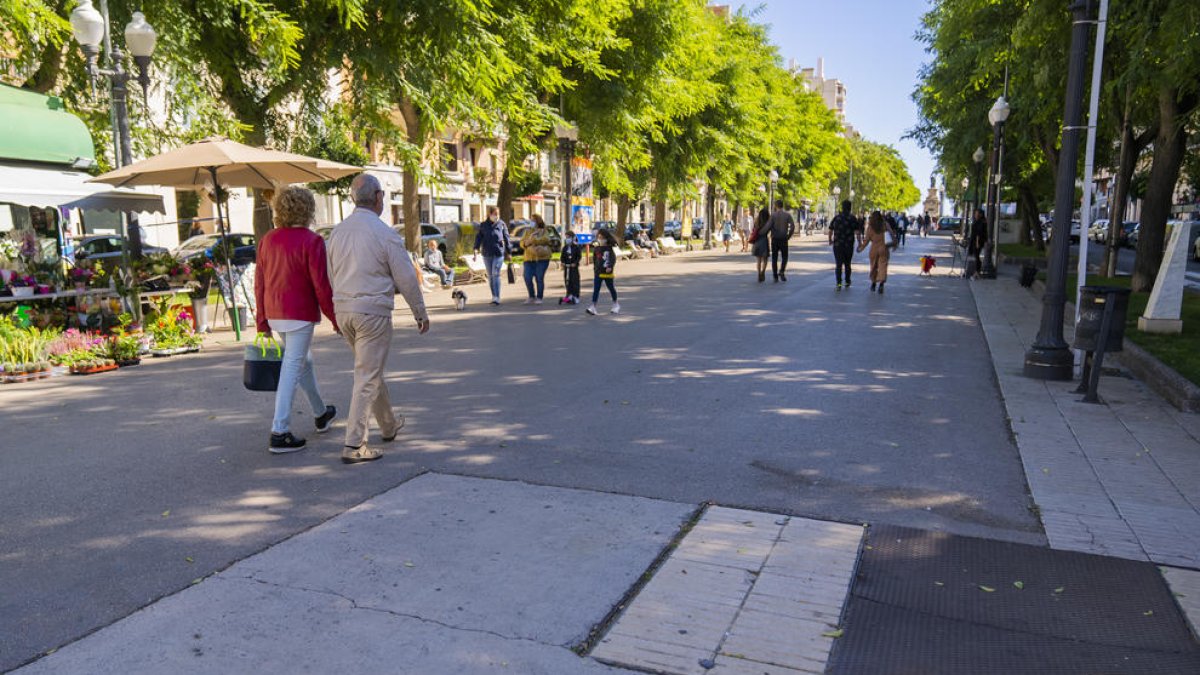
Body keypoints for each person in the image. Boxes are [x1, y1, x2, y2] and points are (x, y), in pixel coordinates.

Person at [326, 174, 430, 464]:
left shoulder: (337, 232)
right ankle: (353, 444)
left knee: (369, 371)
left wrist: (338, 309)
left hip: (345, 308)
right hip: (372, 311)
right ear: (379, 197)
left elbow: (330, 274)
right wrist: (420, 312)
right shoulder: (385, 233)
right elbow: (407, 277)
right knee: (367, 376)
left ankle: (388, 425)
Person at [254, 186, 339, 455]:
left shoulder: (268, 239)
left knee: (303, 362)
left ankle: (320, 413)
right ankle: (279, 431)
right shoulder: (312, 241)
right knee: (292, 367)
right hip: (299, 314)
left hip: (274, 312)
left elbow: (260, 283)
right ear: (308, 209)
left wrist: (261, 321)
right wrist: (336, 319)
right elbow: (321, 287)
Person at [474, 206, 511, 305]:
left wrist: (509, 251)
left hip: (498, 253)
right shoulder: (483, 225)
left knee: (495, 274)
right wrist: (476, 249)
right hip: (487, 253)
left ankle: (497, 297)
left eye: (498, 214)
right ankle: (494, 296)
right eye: (495, 214)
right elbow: (479, 238)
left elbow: (507, 237)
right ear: (489, 214)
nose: (496, 216)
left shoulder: (501, 224)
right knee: (490, 276)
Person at [858, 210, 897, 293]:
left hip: (874, 248)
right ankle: (881, 284)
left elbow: (866, 240)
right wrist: (894, 243)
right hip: (884, 248)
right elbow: (891, 234)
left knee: (873, 266)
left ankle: (873, 283)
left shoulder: (870, 227)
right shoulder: (885, 224)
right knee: (883, 266)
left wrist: (861, 248)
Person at [520, 214, 553, 304]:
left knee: (539, 278)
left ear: (538, 221)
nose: (531, 222)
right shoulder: (527, 231)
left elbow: (546, 239)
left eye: (533, 220)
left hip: (541, 259)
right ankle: (531, 296)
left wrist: (533, 240)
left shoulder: (543, 231)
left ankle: (539, 297)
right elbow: (522, 242)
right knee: (527, 277)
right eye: (531, 220)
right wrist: (525, 244)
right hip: (529, 258)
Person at [828, 200, 861, 290]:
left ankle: (838, 284)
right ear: (850, 207)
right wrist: (860, 243)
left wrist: (830, 240)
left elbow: (830, 230)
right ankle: (847, 281)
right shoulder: (853, 218)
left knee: (838, 264)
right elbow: (857, 232)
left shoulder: (836, 218)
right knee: (847, 264)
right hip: (849, 245)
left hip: (838, 245)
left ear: (842, 207)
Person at [587, 228, 620, 315]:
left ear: (606, 238)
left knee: (611, 288)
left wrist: (610, 266)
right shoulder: (597, 249)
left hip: (607, 273)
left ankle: (615, 304)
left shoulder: (609, 249)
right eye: (599, 237)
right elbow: (595, 260)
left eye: (602, 238)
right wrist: (595, 269)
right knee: (596, 289)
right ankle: (593, 306)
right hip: (598, 272)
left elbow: (613, 259)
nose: (600, 239)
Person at [767, 200, 795, 282]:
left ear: (776, 206)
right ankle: (782, 271)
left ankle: (775, 276)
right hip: (783, 238)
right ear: (782, 205)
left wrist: (762, 233)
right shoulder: (787, 215)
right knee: (785, 257)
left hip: (775, 239)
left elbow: (768, 226)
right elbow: (792, 227)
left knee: (774, 258)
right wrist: (788, 236)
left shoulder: (773, 215)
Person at [559, 230, 582, 304]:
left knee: (574, 281)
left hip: (573, 267)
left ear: (572, 238)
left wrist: (575, 263)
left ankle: (575, 296)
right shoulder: (565, 248)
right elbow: (562, 256)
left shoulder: (576, 247)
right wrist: (562, 262)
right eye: (566, 237)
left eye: (568, 237)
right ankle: (569, 295)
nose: (567, 239)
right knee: (567, 281)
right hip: (567, 267)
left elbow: (579, 256)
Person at [751, 207, 771, 282]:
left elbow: (753, 230)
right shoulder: (768, 222)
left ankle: (759, 273)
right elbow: (769, 231)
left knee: (758, 259)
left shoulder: (756, 221)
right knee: (765, 259)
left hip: (757, 241)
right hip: (764, 241)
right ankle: (763, 272)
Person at [968, 208, 988, 277]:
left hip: (978, 241)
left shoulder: (981, 222)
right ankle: (977, 271)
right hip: (975, 241)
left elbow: (978, 233)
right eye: (975, 213)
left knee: (977, 256)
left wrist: (977, 243)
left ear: (980, 214)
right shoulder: (978, 221)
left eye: (976, 213)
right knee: (976, 256)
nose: (975, 215)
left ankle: (977, 271)